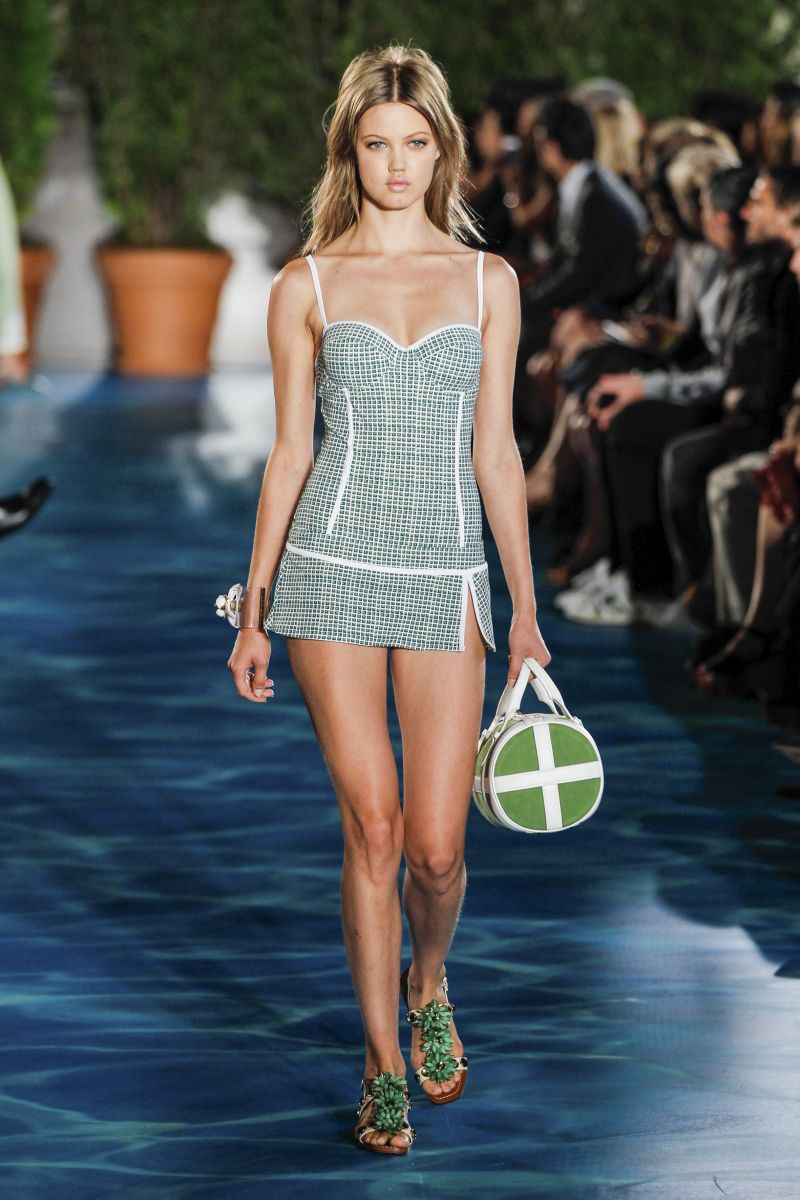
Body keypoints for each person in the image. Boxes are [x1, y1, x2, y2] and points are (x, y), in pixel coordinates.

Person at [222, 44, 550, 1155]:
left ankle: (429, 982)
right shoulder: (305, 284)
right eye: (377, 144)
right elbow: (288, 456)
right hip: (330, 572)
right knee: (372, 828)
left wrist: (524, 608)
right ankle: (378, 1061)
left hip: (446, 574)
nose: (397, 164)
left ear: (441, 150)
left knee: (436, 850)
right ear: (349, 153)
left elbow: (497, 452)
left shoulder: (488, 281)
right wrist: (256, 609)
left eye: (415, 143)